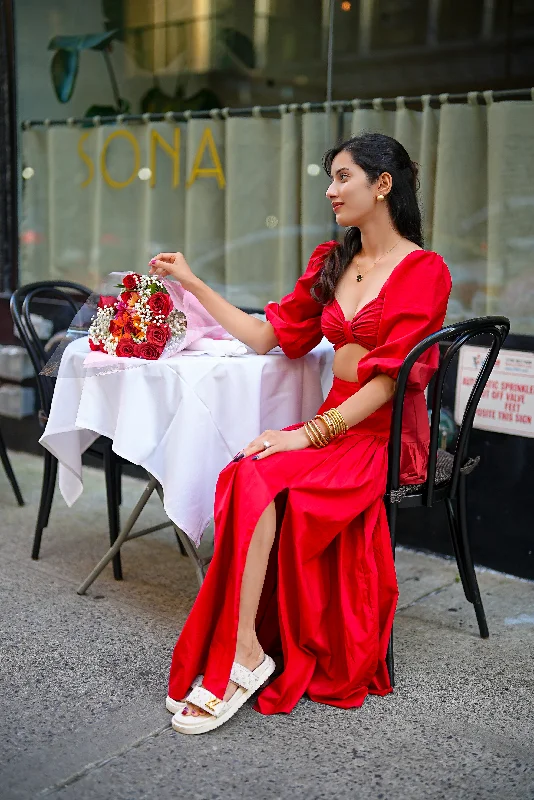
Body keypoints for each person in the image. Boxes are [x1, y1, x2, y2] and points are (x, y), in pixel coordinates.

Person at [148, 132, 452, 735]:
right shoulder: (333, 261)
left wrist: (308, 435)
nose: (330, 189)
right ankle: (246, 650)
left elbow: (391, 382)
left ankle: (242, 657)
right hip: (332, 426)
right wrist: (193, 282)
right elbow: (269, 337)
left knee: (263, 471)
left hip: (378, 440)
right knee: (243, 471)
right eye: (331, 178)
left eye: (343, 177)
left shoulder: (424, 271)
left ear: (382, 185)